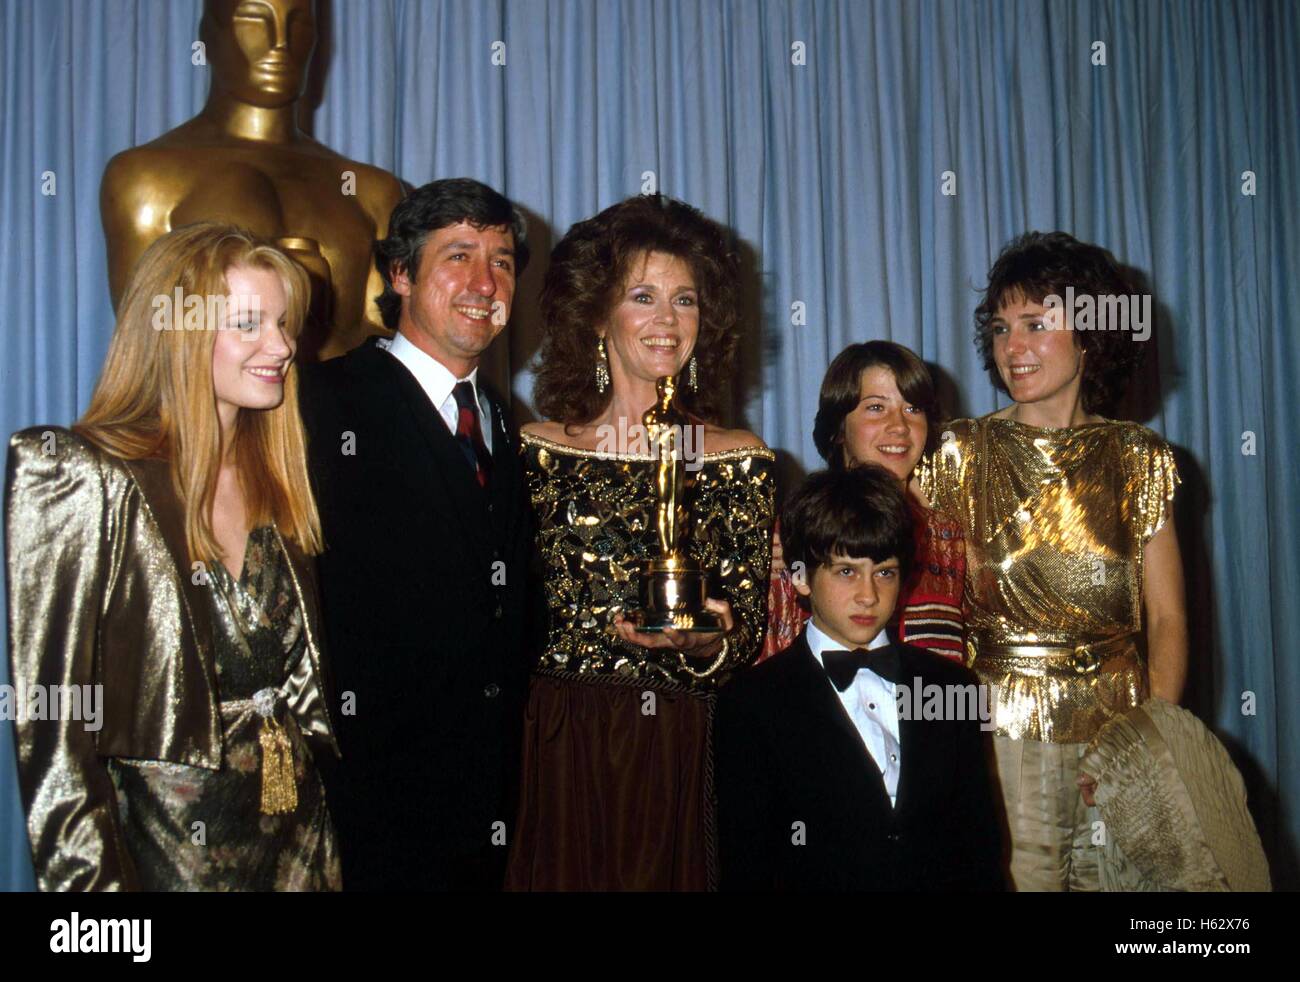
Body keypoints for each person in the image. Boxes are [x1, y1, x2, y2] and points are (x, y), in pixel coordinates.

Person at [6, 223, 339, 891]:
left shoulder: (281, 476)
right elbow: (53, 722)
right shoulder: (79, 475)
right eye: (249, 323)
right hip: (166, 852)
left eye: (282, 322)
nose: (281, 346)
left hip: (299, 838)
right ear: (179, 333)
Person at [505, 194, 775, 891]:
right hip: (559, 740)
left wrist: (703, 644)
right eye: (644, 296)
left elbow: (743, 631)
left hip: (681, 744)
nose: (667, 321)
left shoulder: (737, 456)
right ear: (597, 312)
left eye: (685, 301)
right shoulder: (532, 451)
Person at [919, 230, 1189, 891]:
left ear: (1092, 335)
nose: (1013, 347)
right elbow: (876, 545)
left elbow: (1168, 619)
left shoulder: (1138, 457)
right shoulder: (959, 453)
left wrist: (1146, 744)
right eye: (1001, 328)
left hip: (1121, 733)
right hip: (998, 743)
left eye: (1035, 324)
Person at [297, 178, 537, 890]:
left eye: (502, 261)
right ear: (399, 273)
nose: (484, 282)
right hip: (364, 808)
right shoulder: (318, 401)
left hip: (485, 806)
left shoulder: (500, 415)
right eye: (458, 256)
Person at [717, 466, 1004, 890]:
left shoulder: (952, 687)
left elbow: (983, 851)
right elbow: (746, 866)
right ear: (800, 578)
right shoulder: (751, 703)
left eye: (884, 571)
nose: (869, 595)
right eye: (846, 571)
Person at [763, 341, 965, 662]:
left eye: (913, 408)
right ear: (838, 428)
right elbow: (770, 673)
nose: (900, 426)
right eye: (875, 407)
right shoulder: (793, 532)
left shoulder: (944, 536)